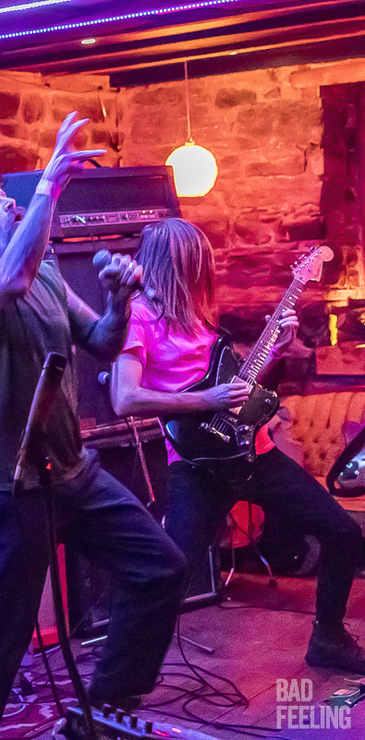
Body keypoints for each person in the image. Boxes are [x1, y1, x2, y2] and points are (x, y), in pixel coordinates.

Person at [0, 113, 188, 740]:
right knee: (9, 627)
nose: (7, 203)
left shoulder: (46, 273)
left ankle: (100, 710)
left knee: (162, 569)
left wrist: (118, 300)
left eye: (6, 198)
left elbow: (101, 340)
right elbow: (10, 278)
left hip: (75, 474)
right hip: (13, 485)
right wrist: (48, 180)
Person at [111, 217, 365, 674]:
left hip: (255, 453)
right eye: (200, 264)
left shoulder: (201, 318)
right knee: (172, 572)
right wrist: (204, 400)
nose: (207, 274)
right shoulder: (139, 317)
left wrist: (277, 351)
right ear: (181, 265)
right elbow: (124, 398)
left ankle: (328, 639)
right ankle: (120, 678)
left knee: (343, 532)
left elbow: (238, 391)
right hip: (199, 465)